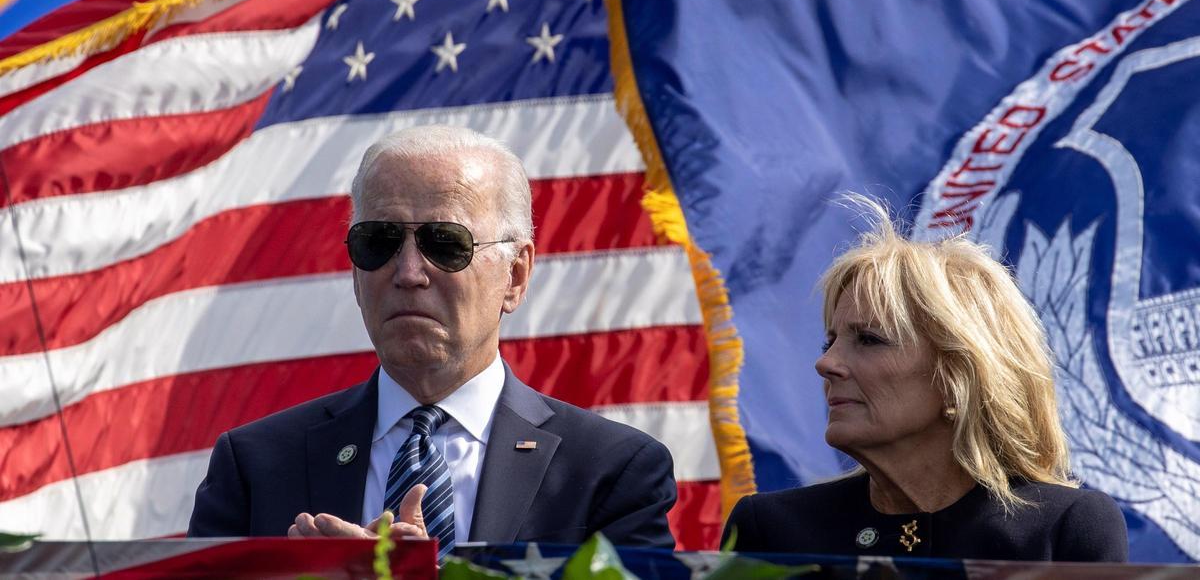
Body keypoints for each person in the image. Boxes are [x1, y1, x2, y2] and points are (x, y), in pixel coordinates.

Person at [188, 125, 677, 556]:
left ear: (516, 275)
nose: (407, 273)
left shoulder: (612, 471)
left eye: (445, 244)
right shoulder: (256, 465)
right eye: (378, 241)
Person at [723, 197, 1127, 561]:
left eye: (868, 340)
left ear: (959, 376)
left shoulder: (1063, 528)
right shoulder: (771, 531)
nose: (826, 364)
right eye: (829, 342)